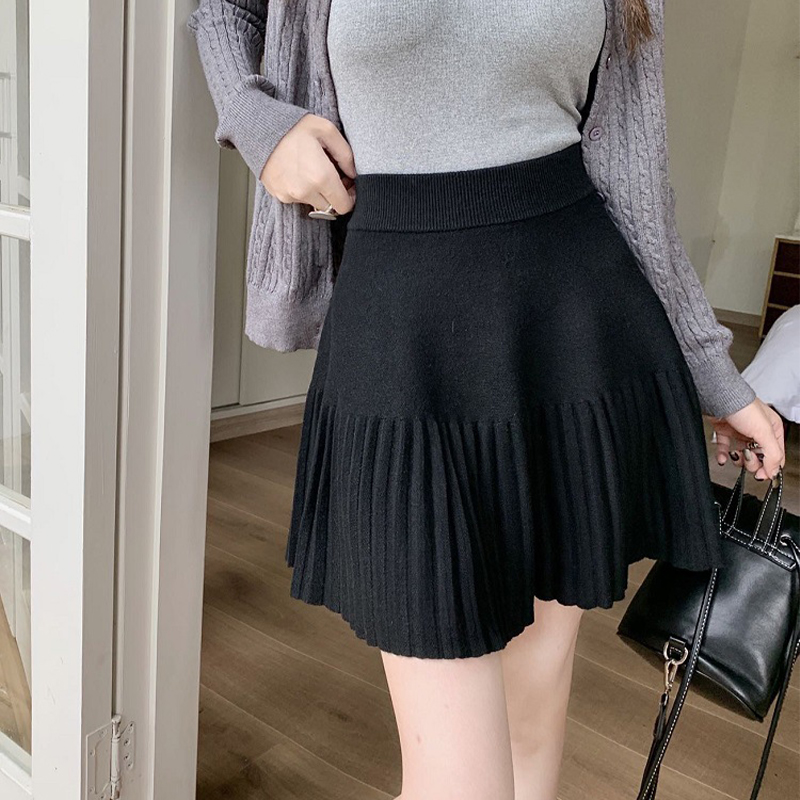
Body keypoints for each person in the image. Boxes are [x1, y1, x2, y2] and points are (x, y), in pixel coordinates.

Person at [188, 2, 786, 798]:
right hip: (403, 349)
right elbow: (222, 10)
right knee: (459, 780)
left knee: (530, 723)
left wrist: (717, 376)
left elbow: (637, 177)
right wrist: (259, 123)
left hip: (572, 336)